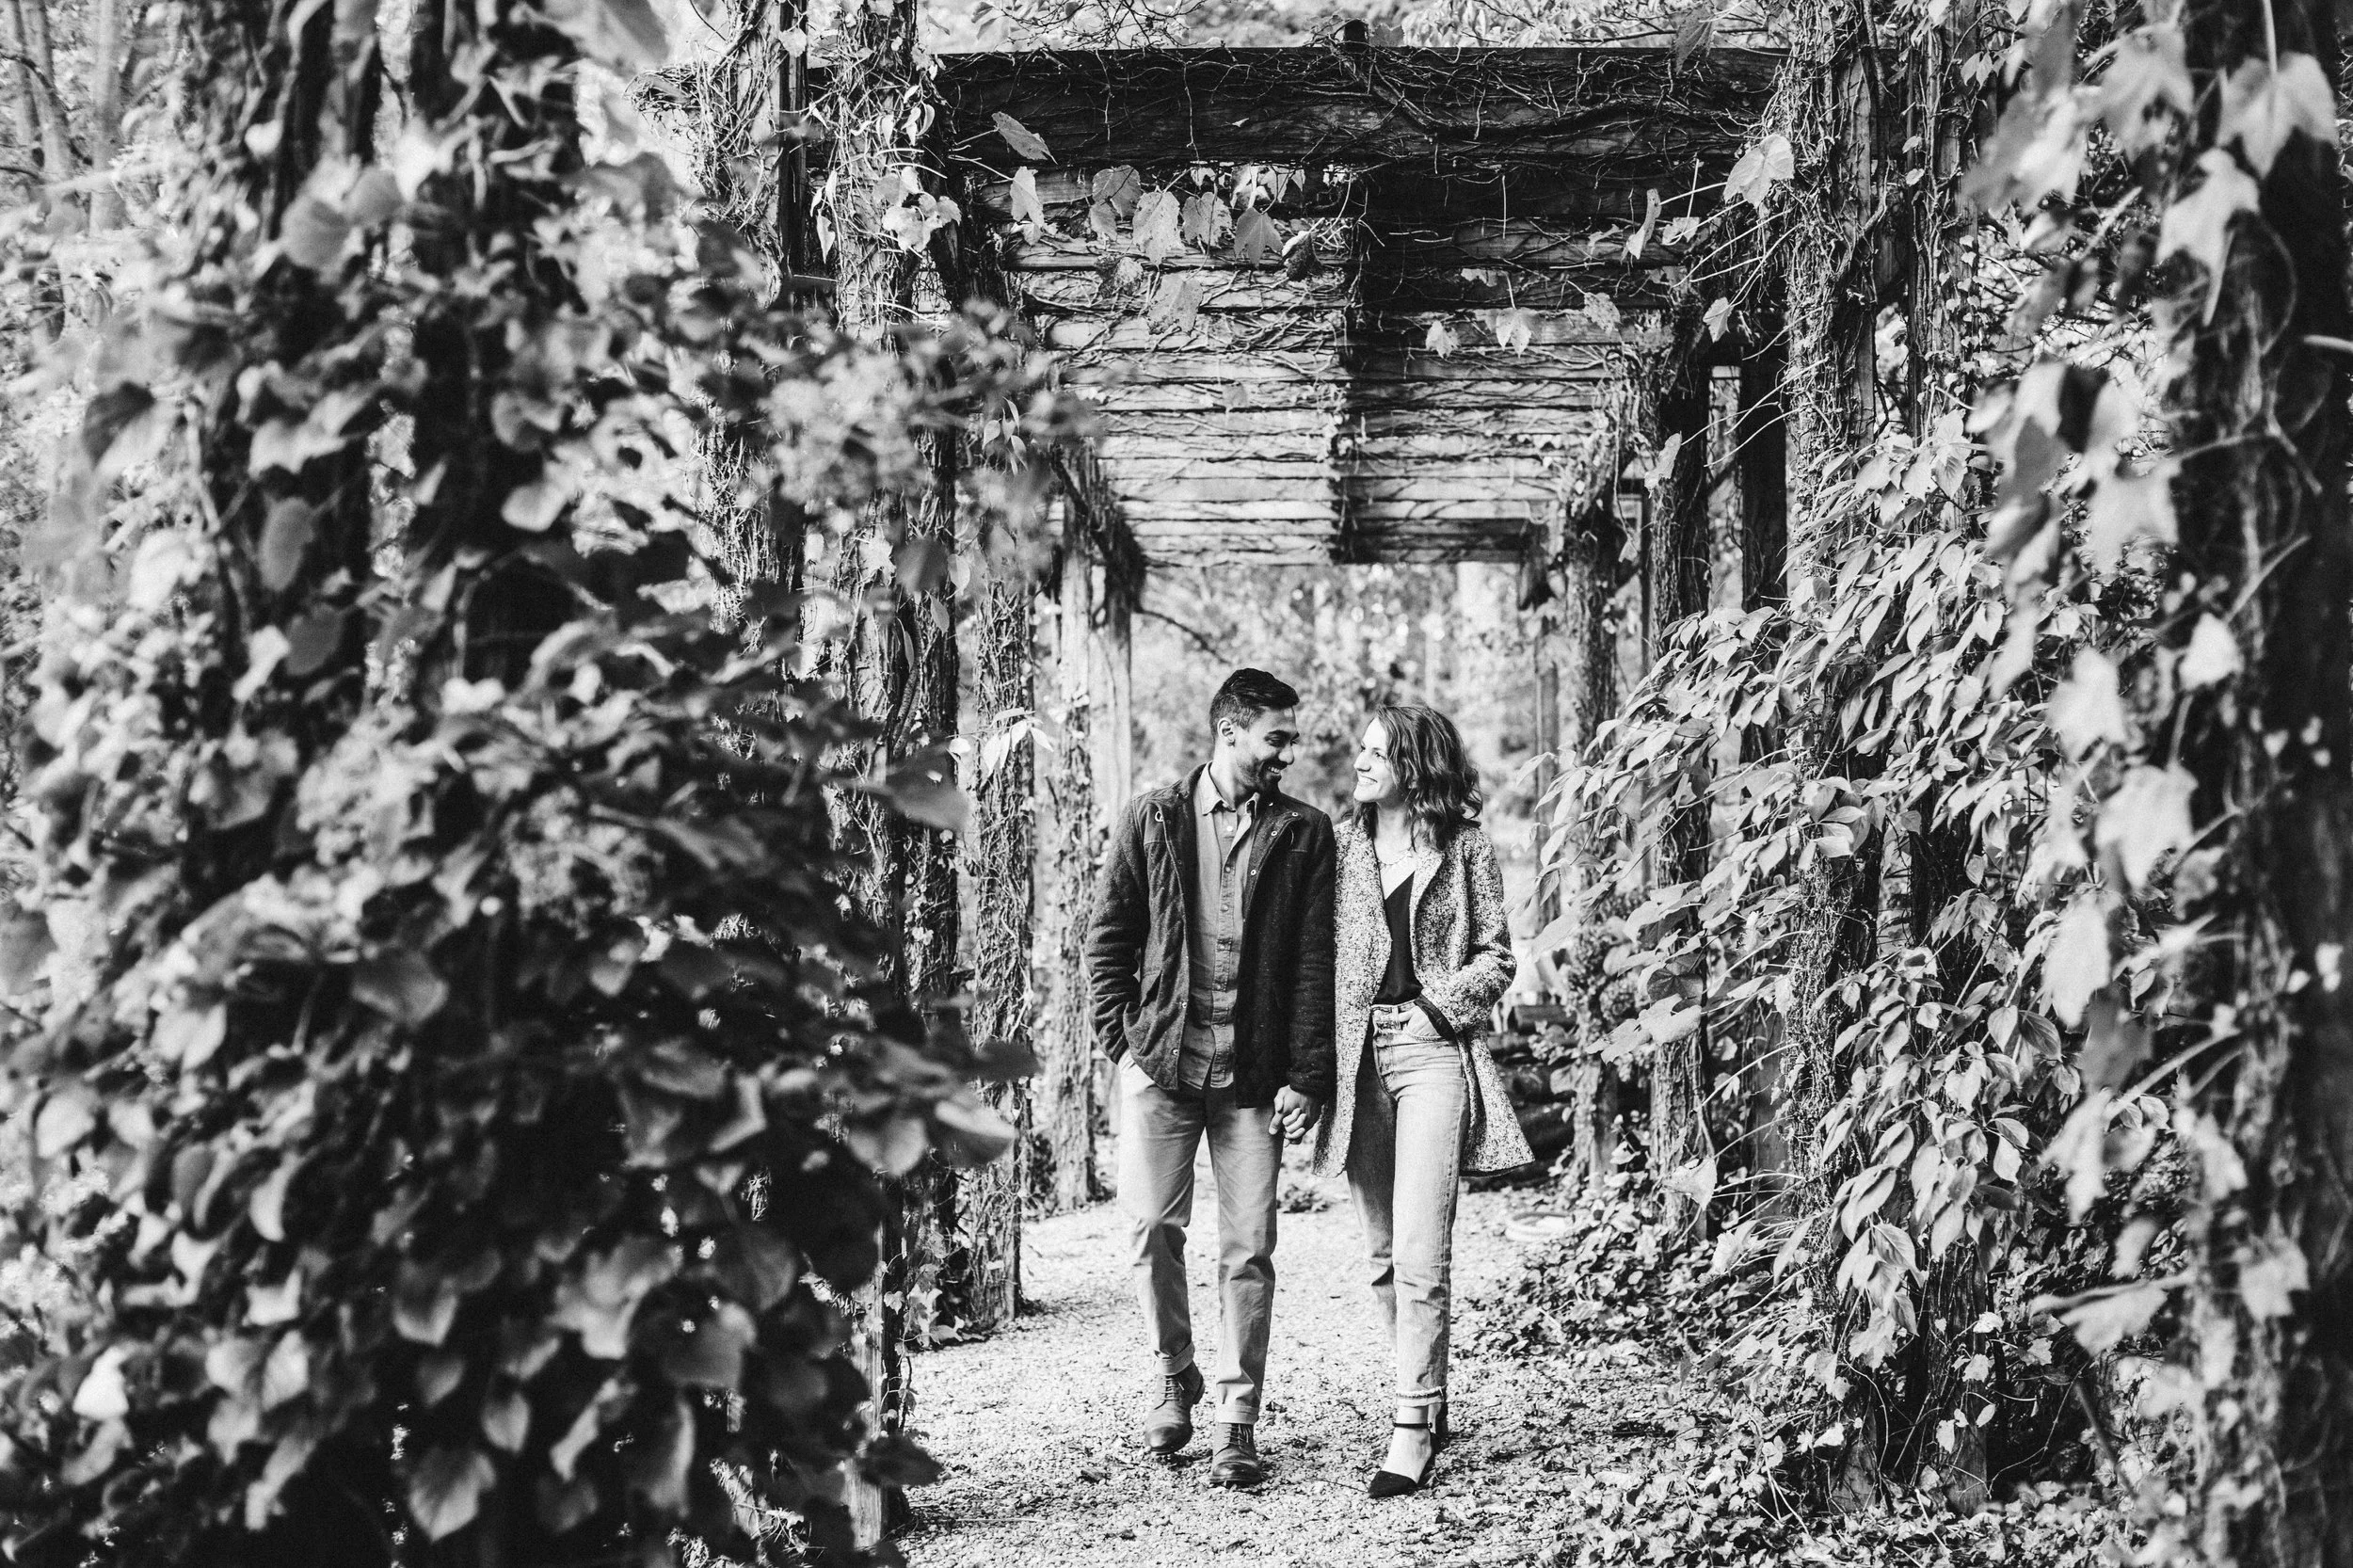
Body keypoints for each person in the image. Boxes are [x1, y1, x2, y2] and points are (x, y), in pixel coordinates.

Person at [1085, 667, 1337, 1490]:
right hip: (1160, 1066)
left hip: (1254, 1079)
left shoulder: (1305, 833)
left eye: (1290, 740)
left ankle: (1237, 1419)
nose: (1288, 755)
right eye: (1277, 739)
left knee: (1249, 1249)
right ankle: (1175, 1370)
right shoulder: (1152, 817)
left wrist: (1307, 1073)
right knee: (1150, 1232)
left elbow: (1312, 961)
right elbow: (1107, 939)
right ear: (1229, 732)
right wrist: (1121, 1046)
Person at [1315, 702, 1531, 1498]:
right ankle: (1429, 1393)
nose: (1361, 764)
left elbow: (1497, 957)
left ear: (1414, 765)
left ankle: (1411, 1424)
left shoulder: (1465, 848)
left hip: (1434, 1053)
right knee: (1379, 1256)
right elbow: (1319, 960)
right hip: (1357, 1063)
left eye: (1377, 753)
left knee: (1419, 1249)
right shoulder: (1340, 848)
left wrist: (1439, 1008)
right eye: (1361, 752)